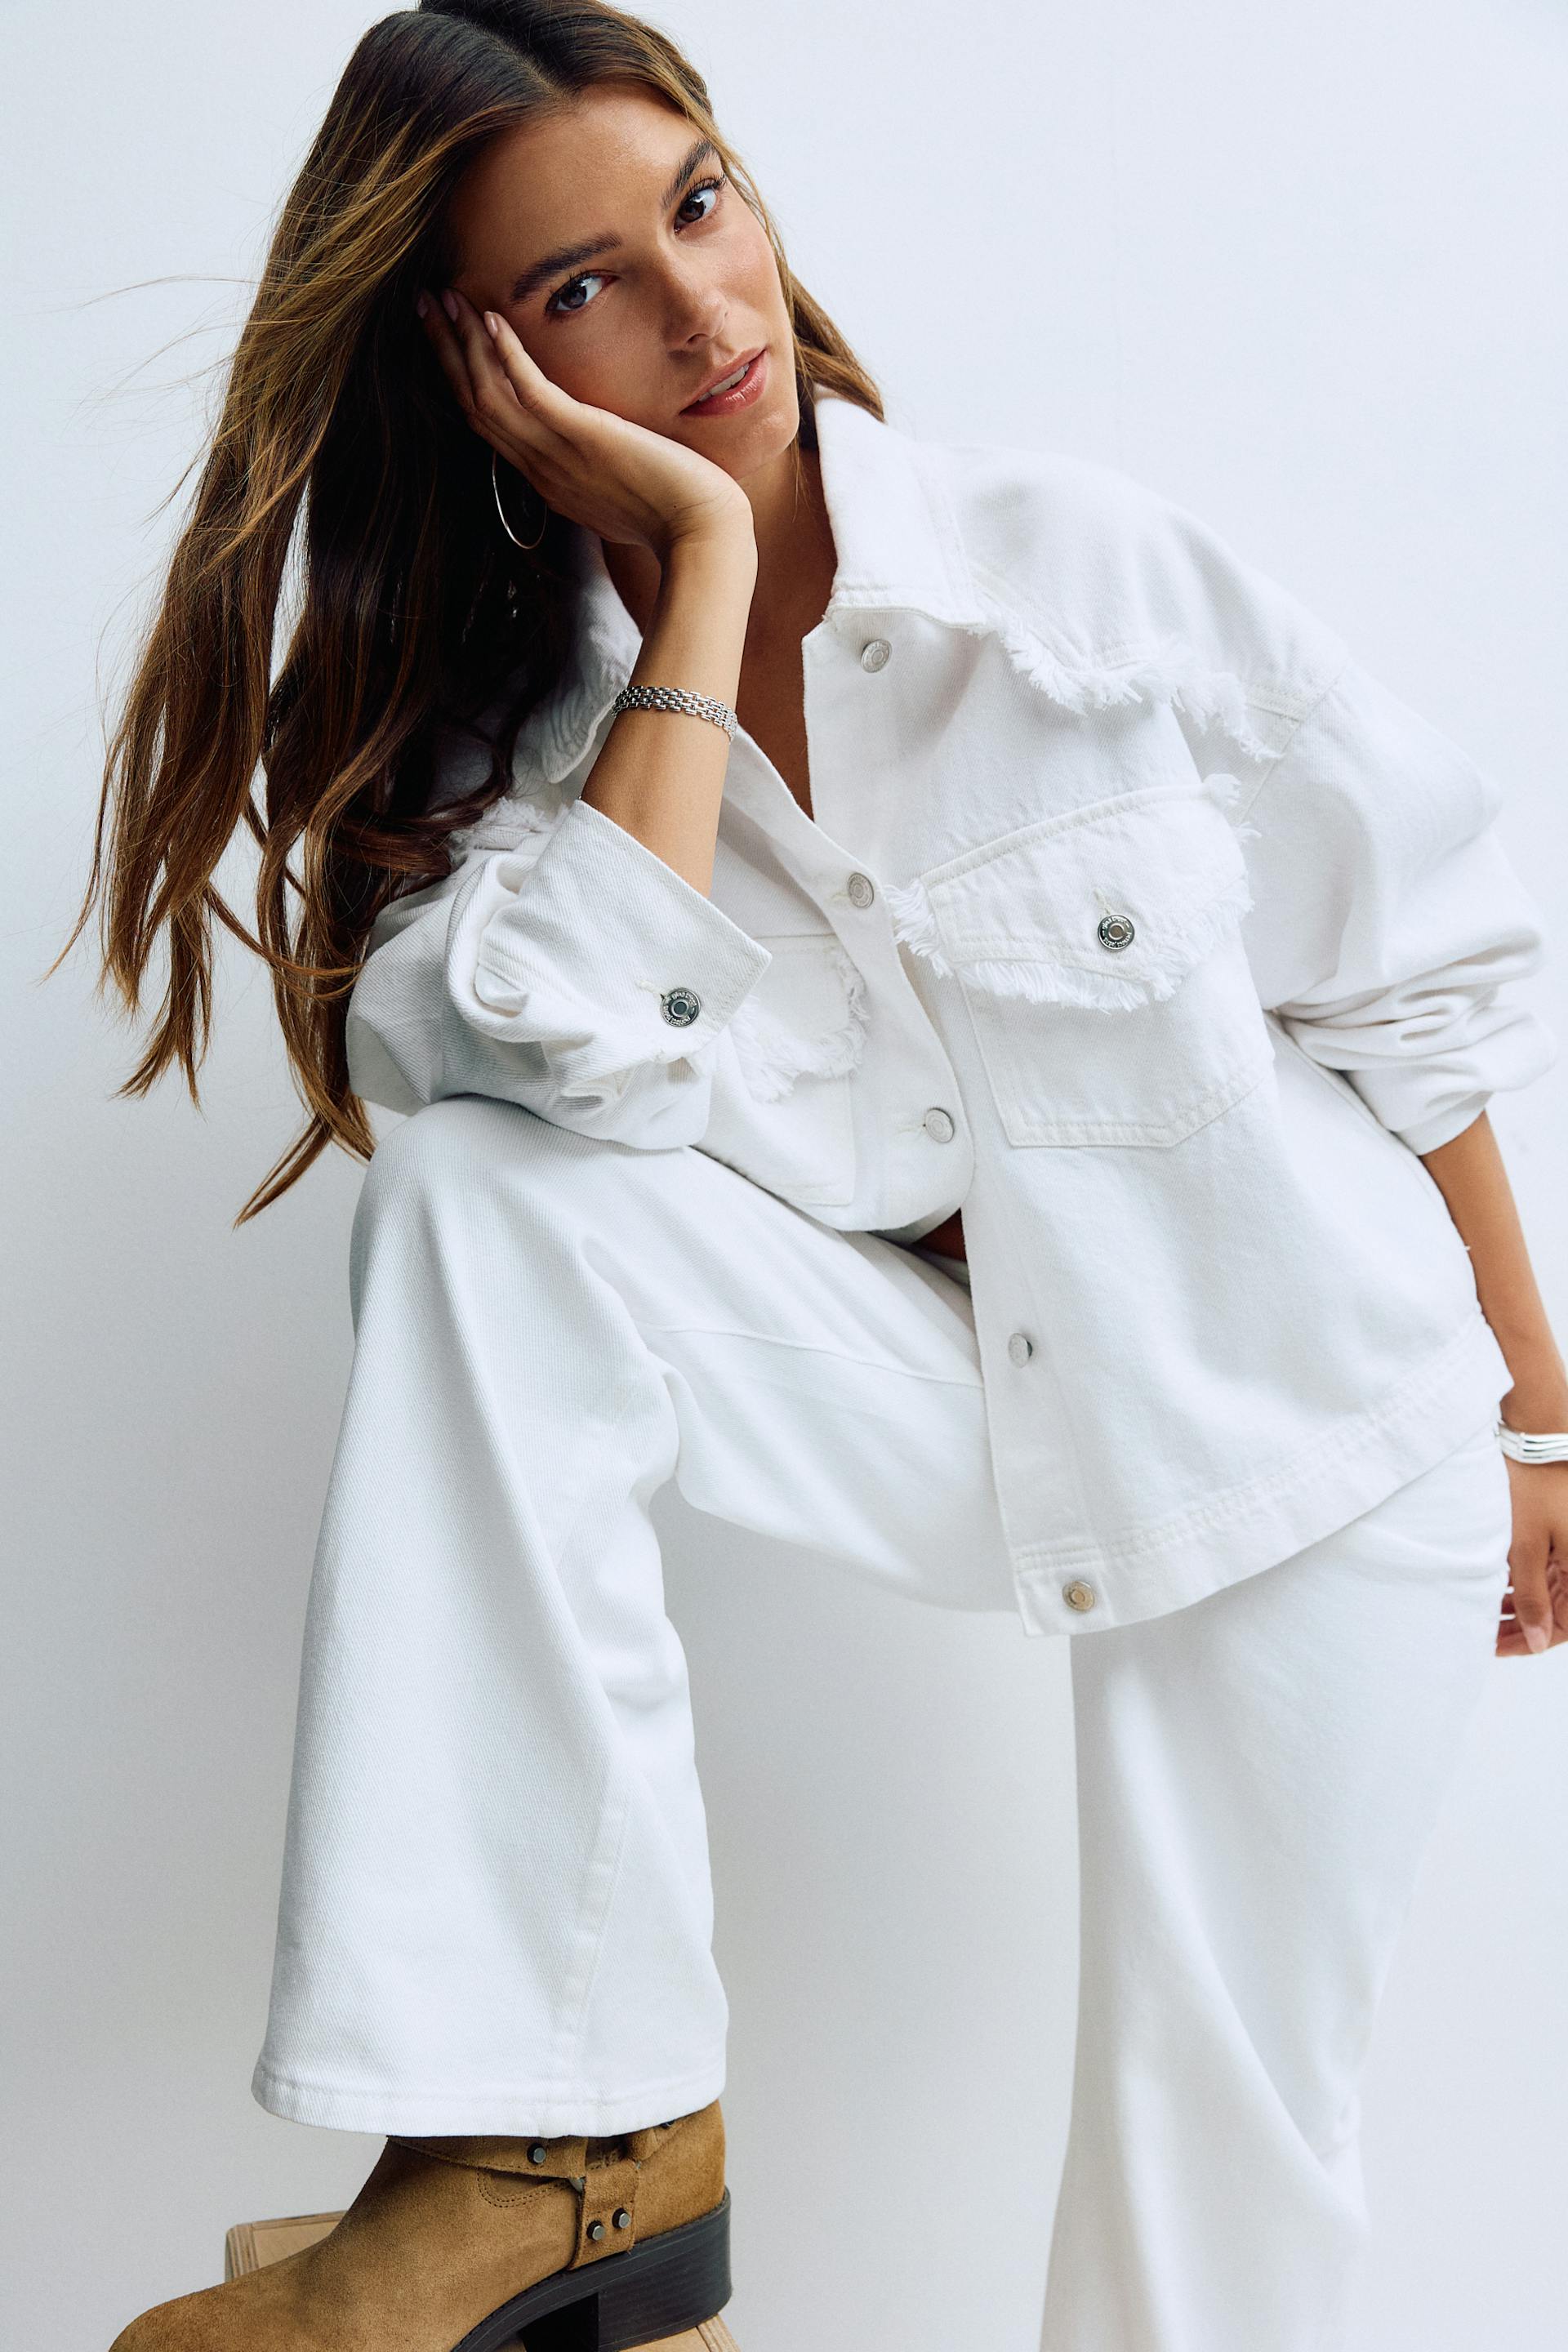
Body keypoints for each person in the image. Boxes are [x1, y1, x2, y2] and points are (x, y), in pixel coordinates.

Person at [87, 4, 1566, 2349]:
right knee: (485, 1203)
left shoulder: (1069, 576)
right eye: (585, 286)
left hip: (1308, 1421)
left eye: (700, 204)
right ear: (478, 372)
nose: (704, 311)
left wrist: (1539, 1419)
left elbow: (1418, 977)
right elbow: (555, 1061)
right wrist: (691, 581)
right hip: (976, 1406)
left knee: (1212, 2157)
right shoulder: (509, 767)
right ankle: (563, 2140)